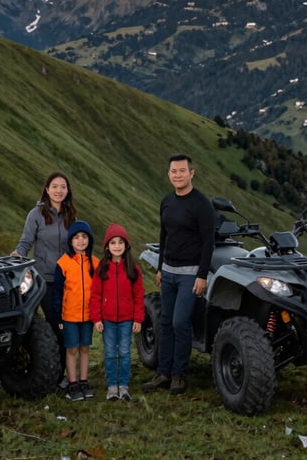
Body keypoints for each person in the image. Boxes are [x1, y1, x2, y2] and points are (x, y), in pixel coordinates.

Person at [143, 153, 215, 395]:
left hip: (190, 274)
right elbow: (164, 237)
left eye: (182, 171)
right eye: (173, 171)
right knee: (165, 322)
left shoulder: (202, 204)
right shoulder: (166, 202)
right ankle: (163, 372)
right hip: (169, 273)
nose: (177, 175)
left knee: (179, 322)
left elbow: (208, 242)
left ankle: (179, 375)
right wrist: (161, 267)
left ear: (191, 173)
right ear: (169, 174)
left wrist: (202, 275)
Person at [11, 171, 77, 386]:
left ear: (67, 191)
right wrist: (17, 254)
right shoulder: (36, 214)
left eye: (63, 187)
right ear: (47, 189)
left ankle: (62, 374)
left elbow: (75, 246)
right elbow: (25, 242)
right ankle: (56, 376)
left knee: (65, 326)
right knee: (55, 325)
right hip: (43, 279)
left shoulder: (70, 214)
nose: (59, 190)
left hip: (67, 279)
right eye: (55, 186)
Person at [90, 223, 145, 401]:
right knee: (109, 353)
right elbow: (96, 295)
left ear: (126, 245)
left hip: (127, 320)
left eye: (120, 242)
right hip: (107, 320)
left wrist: (138, 318)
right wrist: (96, 318)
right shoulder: (102, 269)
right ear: (107, 246)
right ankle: (112, 386)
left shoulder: (133, 269)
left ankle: (124, 386)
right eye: (113, 242)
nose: (117, 246)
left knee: (124, 352)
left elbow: (138, 295)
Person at [53, 220, 98, 401]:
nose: (80, 241)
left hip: (88, 316)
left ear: (89, 240)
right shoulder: (62, 263)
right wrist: (58, 317)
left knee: (85, 348)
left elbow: (99, 291)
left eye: (84, 237)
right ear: (70, 241)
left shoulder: (95, 263)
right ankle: (72, 384)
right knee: (71, 349)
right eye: (77, 237)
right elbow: (57, 292)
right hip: (69, 316)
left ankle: (84, 381)